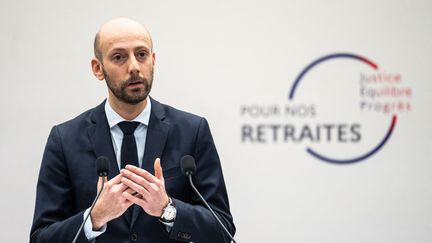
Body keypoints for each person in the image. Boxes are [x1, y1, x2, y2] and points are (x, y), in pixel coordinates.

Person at [30, 17, 235, 243]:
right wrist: (95, 217)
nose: (134, 67)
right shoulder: (65, 139)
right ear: (98, 68)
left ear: (153, 60)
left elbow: (223, 230)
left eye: (142, 54)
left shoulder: (192, 131)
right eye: (119, 57)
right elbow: (41, 238)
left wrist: (167, 209)